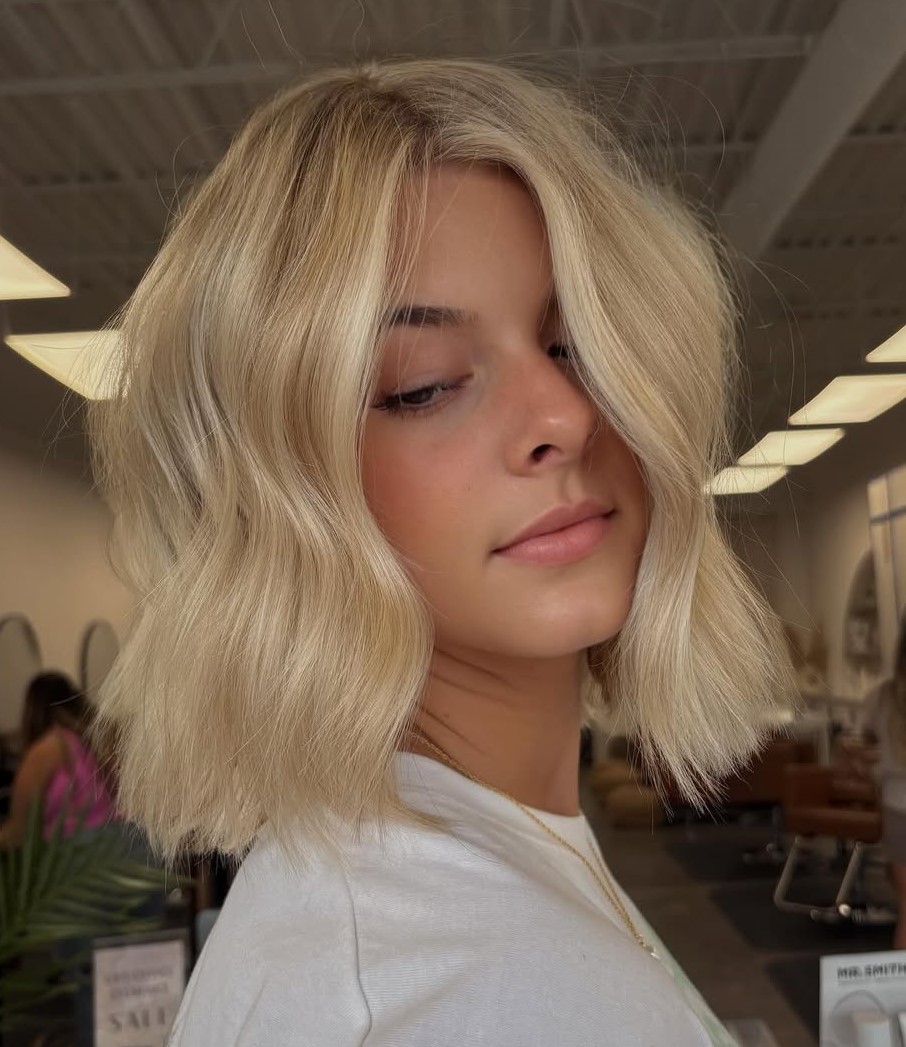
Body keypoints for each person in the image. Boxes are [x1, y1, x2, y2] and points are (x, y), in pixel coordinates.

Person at [84, 58, 793, 1046]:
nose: (564, 414)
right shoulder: (447, 992)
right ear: (281, 494)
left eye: (577, 343)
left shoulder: (440, 898)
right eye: (423, 385)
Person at [841, 628, 906, 947]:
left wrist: (872, 770)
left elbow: (853, 746)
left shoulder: (883, 697)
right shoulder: (883, 697)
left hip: (896, 805)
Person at [0, 671, 117, 847]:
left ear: (32, 710)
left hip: (79, 851)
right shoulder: (91, 744)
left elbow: (19, 831)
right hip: (114, 842)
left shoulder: (46, 751)